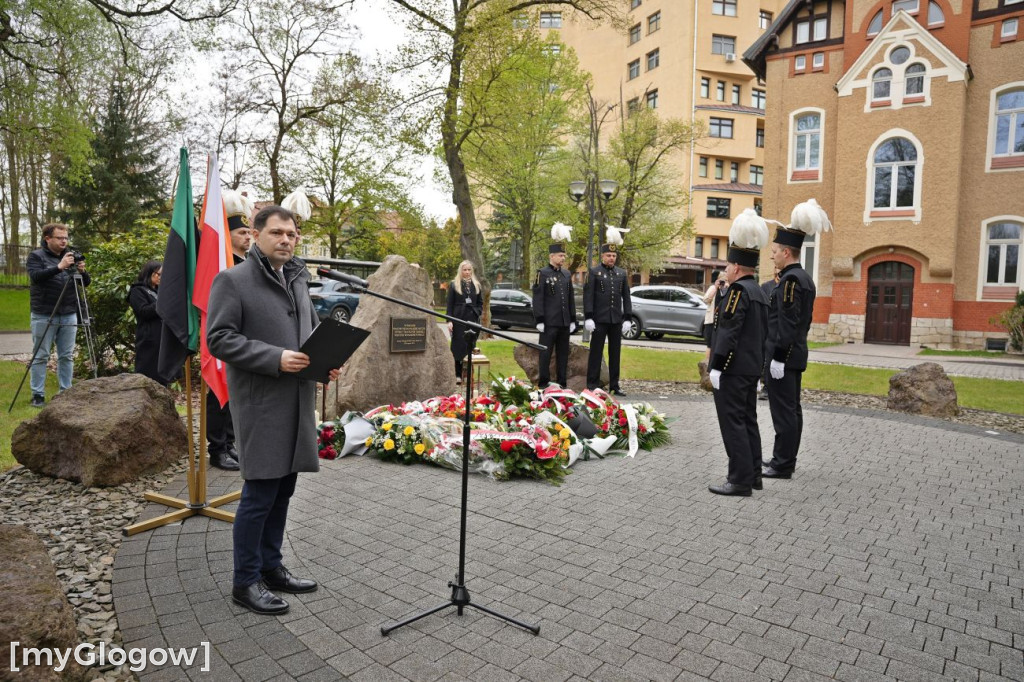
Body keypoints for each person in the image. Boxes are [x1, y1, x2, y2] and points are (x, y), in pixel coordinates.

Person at [207, 205, 343, 616]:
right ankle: (245, 581)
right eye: (278, 233)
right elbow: (219, 339)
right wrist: (275, 358)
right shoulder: (233, 280)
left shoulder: (297, 278)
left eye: (292, 234)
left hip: (296, 400)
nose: (287, 240)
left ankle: (271, 566)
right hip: (261, 402)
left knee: (284, 488)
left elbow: (309, 333)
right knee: (260, 492)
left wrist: (325, 361)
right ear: (256, 234)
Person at [763, 199, 832, 480]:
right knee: (791, 409)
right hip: (793, 353)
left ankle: (783, 464)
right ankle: (784, 458)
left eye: (775, 251)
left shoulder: (791, 281)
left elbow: (789, 323)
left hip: (785, 356)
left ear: (787, 252)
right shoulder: (802, 278)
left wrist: (779, 356)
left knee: (784, 412)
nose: (772, 256)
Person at [708, 209, 769, 497]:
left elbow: (729, 331)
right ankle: (753, 474)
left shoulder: (737, 292)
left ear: (735, 267)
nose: (726, 269)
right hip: (750, 368)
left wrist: (717, 365)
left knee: (733, 424)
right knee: (748, 421)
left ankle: (739, 480)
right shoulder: (758, 291)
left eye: (728, 264)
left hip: (732, 369)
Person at [206, 191, 254, 472]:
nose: (248, 237)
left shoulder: (249, 265)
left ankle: (231, 443)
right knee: (219, 396)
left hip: (245, 339)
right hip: (225, 337)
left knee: (236, 396)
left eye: (250, 232)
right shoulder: (221, 265)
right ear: (228, 234)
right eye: (242, 232)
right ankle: (217, 448)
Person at [26, 223, 91, 407]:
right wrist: (59, 267)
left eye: (66, 238)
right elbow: (36, 277)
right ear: (48, 239)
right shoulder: (36, 256)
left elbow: (85, 283)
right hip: (44, 313)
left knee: (66, 356)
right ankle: (38, 394)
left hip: (69, 312)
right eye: (60, 238)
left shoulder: (70, 256)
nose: (64, 241)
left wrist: (82, 272)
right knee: (40, 355)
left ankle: (66, 392)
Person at [584, 243, 632, 396]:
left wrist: (627, 318)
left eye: (614, 256)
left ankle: (614, 385)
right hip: (599, 319)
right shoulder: (594, 272)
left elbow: (626, 297)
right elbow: (588, 296)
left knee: (615, 353)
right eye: (609, 256)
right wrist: (589, 317)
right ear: (603, 256)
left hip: (616, 319)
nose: (611, 258)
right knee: (596, 353)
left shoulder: (621, 274)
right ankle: (592, 384)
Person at [532, 241, 576, 388]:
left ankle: (562, 382)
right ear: (552, 256)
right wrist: (539, 319)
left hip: (564, 322)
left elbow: (570, 298)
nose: (563, 258)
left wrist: (572, 319)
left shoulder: (566, 274)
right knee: (545, 353)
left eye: (564, 255)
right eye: (560, 255)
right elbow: (538, 298)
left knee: (563, 354)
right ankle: (544, 383)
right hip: (549, 322)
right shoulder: (542, 273)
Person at [128, 260, 166, 385]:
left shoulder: (160, 291)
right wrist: (161, 303)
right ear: (149, 273)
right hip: (148, 340)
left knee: (162, 376)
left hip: (162, 338)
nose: (161, 277)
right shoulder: (137, 290)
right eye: (158, 274)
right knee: (147, 377)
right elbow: (143, 311)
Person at [446, 260, 483, 384]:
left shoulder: (476, 284)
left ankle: (467, 373)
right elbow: (449, 304)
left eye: (469, 270)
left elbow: (480, 303)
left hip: (472, 319)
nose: (467, 272)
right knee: (458, 346)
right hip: (458, 318)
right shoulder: (453, 284)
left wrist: (476, 312)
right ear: (460, 271)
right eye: (464, 270)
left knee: (470, 346)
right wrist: (449, 320)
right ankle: (457, 373)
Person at [758, 267, 781, 401]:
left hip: (781, 328)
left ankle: (777, 389)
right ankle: (766, 387)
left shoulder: (786, 286)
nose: (777, 270)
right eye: (775, 268)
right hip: (768, 328)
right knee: (767, 360)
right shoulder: (766, 286)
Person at [702, 270, 726, 363]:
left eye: (725, 280)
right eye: (722, 280)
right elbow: (706, 300)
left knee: (719, 344)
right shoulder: (713, 288)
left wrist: (726, 288)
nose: (723, 283)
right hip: (711, 320)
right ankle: (707, 364)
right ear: (718, 280)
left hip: (722, 321)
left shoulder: (728, 289)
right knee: (710, 344)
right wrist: (716, 288)